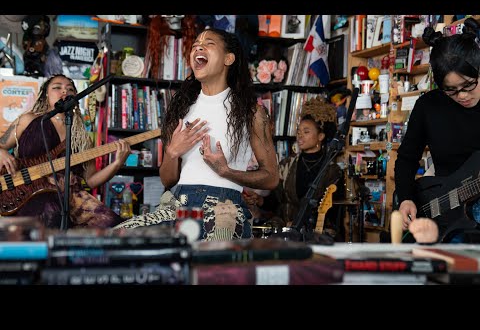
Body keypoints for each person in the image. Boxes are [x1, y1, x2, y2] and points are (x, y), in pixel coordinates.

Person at [159, 28, 279, 240]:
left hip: (224, 211)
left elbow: (271, 178)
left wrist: (226, 171)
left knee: (215, 271)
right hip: (180, 206)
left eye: (209, 43)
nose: (199, 46)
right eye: (196, 44)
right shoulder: (181, 110)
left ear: (228, 58)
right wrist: (171, 153)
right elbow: (168, 180)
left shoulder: (252, 113)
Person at [0, 74, 131, 229]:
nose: (64, 91)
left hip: (69, 196)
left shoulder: (81, 137)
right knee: (51, 212)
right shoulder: (28, 120)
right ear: (45, 94)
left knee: (116, 227)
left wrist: (117, 163)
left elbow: (90, 180)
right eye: (57, 87)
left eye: (70, 89)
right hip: (24, 192)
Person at [395, 18, 480, 243]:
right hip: (442, 208)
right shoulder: (428, 106)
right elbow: (406, 158)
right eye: (450, 90)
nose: (462, 95)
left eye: (468, 85)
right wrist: (405, 199)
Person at [276, 97, 344, 238]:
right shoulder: (286, 165)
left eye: (306, 132)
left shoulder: (332, 171)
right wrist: (259, 200)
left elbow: (334, 213)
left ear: (321, 136)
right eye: (299, 131)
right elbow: (276, 201)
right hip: (288, 235)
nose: (300, 136)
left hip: (320, 236)